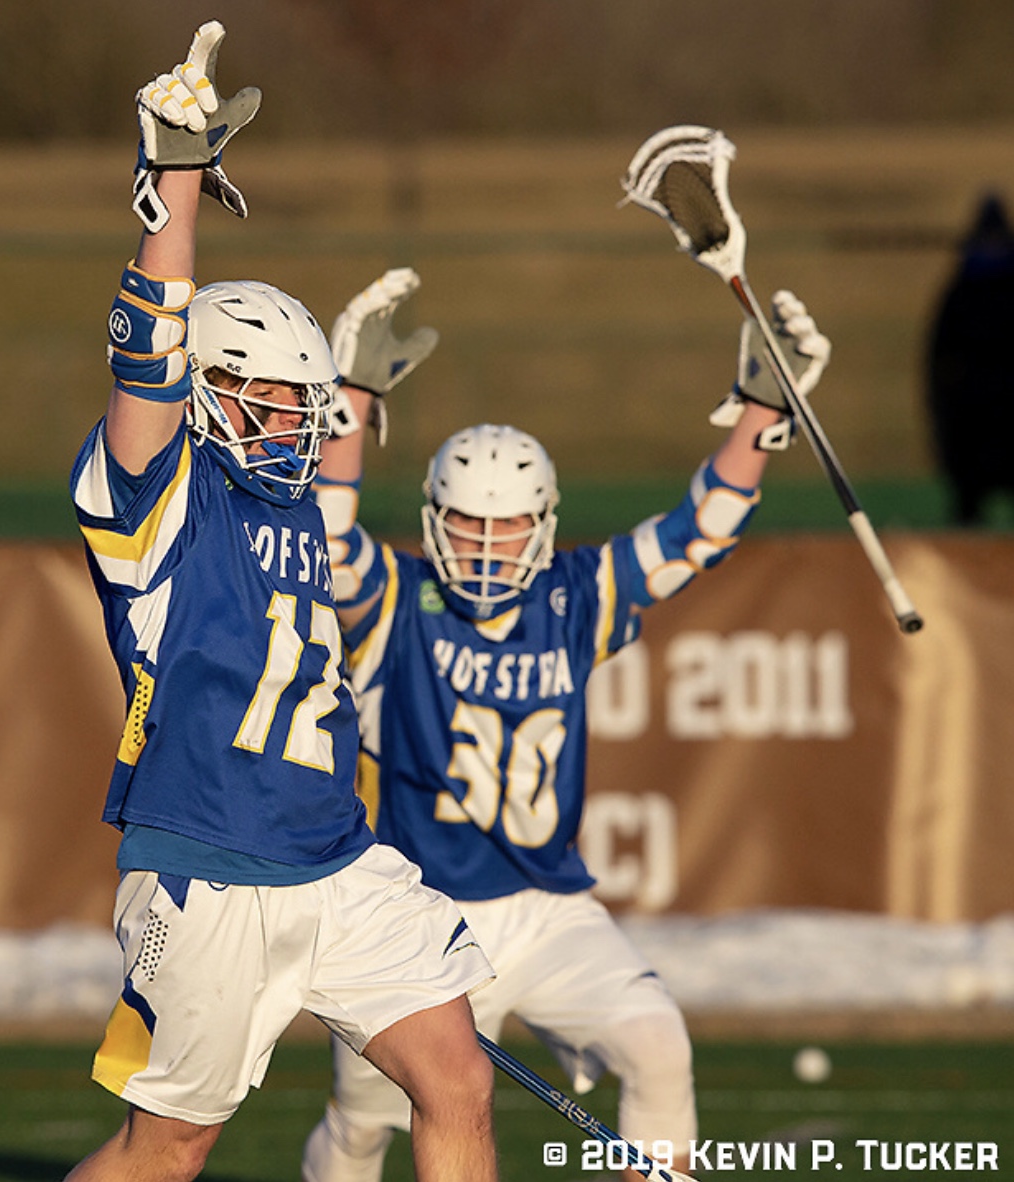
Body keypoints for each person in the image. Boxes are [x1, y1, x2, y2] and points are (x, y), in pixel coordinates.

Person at [66, 25, 497, 1182]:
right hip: (208, 863)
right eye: (263, 399)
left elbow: (328, 487)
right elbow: (143, 370)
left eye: (299, 405)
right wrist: (178, 192)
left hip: (334, 856)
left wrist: (351, 389)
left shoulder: (293, 506)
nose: (289, 425)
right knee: (169, 1150)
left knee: (457, 1079)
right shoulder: (155, 499)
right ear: (204, 392)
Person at [301, 270, 831, 1181]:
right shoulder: (402, 598)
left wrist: (756, 416)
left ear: (544, 528)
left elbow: (699, 531)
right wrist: (348, 403)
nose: (486, 548)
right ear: (434, 523)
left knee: (659, 1045)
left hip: (547, 912)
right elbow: (329, 539)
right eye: (466, 528)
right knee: (364, 1126)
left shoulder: (574, 597)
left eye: (507, 530)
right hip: (415, 922)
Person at [926, 192, 1014, 525]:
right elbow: (939, 363)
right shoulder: (961, 292)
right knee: (968, 507)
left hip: (990, 413)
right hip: (973, 418)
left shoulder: (962, 290)